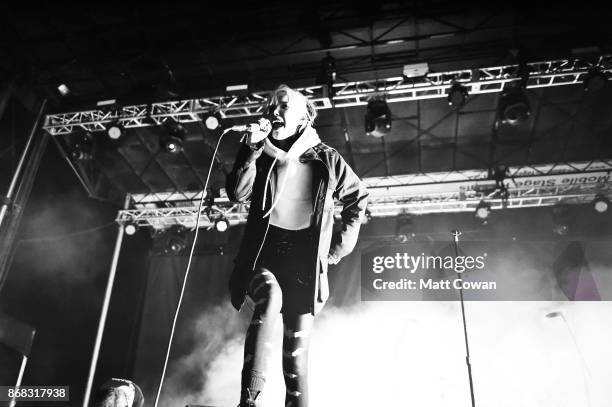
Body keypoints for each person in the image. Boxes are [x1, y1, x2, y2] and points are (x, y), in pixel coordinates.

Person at [226, 84, 368, 407]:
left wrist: (337, 249)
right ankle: (248, 401)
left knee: (296, 353)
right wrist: (250, 149)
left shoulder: (327, 159)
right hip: (265, 251)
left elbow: (358, 198)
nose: (274, 111)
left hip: (304, 261)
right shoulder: (259, 152)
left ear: (304, 115)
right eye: (271, 105)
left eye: (283, 105)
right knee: (269, 298)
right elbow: (237, 193)